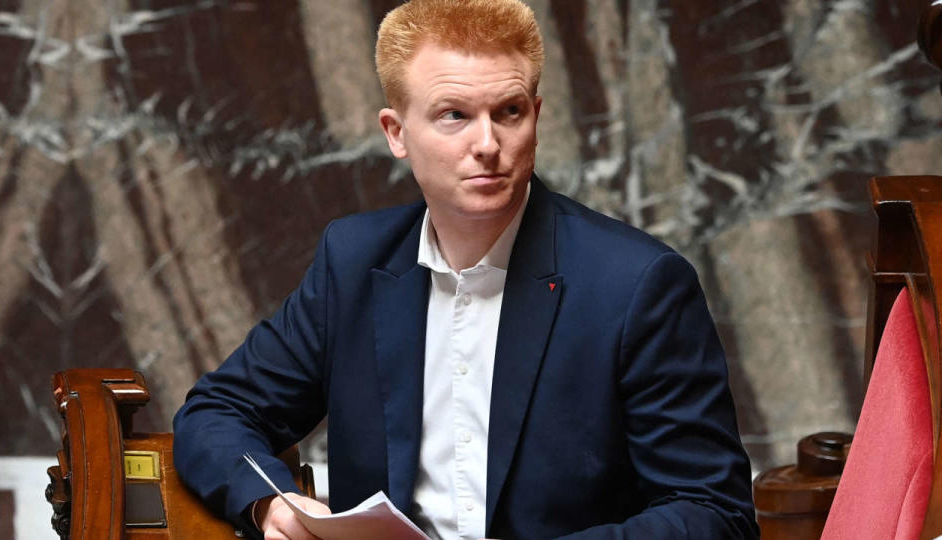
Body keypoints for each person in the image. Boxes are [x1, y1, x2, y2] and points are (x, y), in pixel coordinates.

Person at [173, 1, 759, 538]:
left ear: (537, 115)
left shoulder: (638, 285)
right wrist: (271, 503)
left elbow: (714, 512)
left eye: (508, 112)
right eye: (454, 115)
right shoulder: (353, 262)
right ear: (396, 133)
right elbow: (218, 413)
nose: (487, 143)